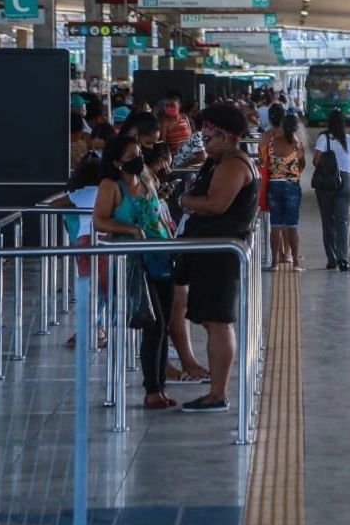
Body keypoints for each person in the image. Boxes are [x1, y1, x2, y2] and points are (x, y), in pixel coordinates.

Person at [177, 104, 259, 413]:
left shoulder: (233, 166)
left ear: (225, 136)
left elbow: (216, 205)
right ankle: (215, 390)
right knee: (211, 320)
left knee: (217, 322)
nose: (204, 144)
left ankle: (217, 394)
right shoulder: (221, 160)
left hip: (218, 253)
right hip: (209, 249)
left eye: (208, 138)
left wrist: (184, 200)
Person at [92, 134, 176, 410]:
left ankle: (160, 385)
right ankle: (152, 389)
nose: (139, 159)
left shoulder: (148, 178)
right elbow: (99, 221)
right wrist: (130, 230)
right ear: (117, 162)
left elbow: (158, 211)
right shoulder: (111, 186)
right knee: (155, 323)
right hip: (133, 261)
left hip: (161, 256)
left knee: (166, 324)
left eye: (139, 153)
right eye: (131, 156)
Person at [52, 159, 107, 349]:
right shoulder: (108, 192)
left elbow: (53, 205)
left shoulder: (79, 194)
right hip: (106, 241)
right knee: (104, 288)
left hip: (84, 242)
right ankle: (96, 327)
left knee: (89, 286)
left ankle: (91, 327)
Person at [314, 110, 350, 271]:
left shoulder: (324, 138)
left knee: (328, 221)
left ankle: (332, 259)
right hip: (347, 182)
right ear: (344, 123)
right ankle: (344, 259)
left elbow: (316, 161)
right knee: (343, 222)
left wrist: (328, 162)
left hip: (327, 183)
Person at [264, 113, 306, 271]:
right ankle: (295, 262)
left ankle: (274, 263)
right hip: (292, 186)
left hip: (273, 185)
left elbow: (266, 162)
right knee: (292, 226)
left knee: (275, 225)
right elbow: (302, 164)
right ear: (295, 128)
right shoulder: (297, 145)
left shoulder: (272, 144)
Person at [160, 90, 193, 154]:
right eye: (167, 105)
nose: (169, 108)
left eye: (172, 105)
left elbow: (190, 136)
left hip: (189, 154)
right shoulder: (165, 122)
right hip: (175, 157)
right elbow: (163, 144)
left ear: (179, 105)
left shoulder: (184, 117)